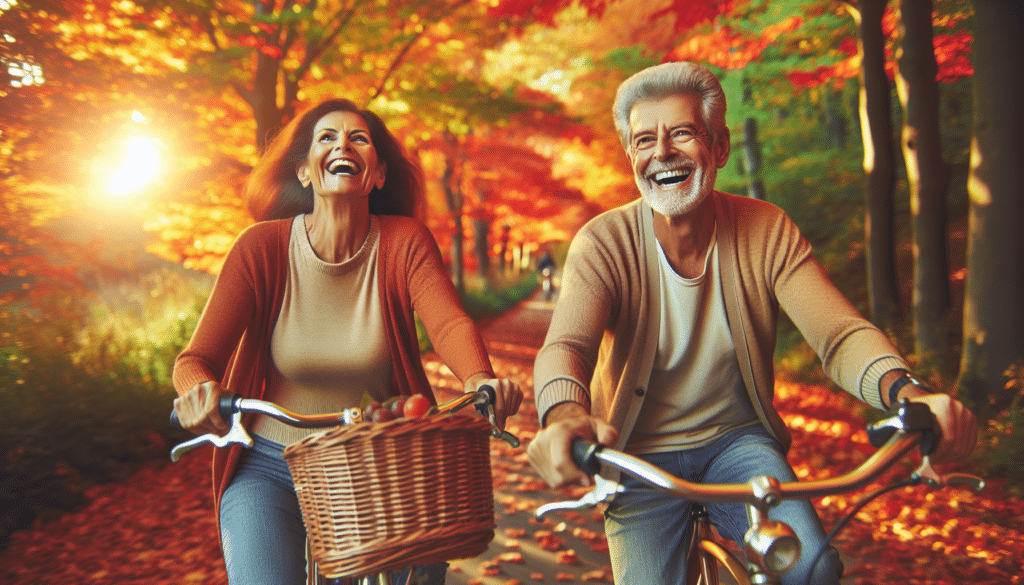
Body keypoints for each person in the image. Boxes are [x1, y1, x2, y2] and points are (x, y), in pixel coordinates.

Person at [526, 62, 977, 585]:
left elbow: (839, 334)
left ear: (719, 147)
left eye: (682, 133)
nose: (662, 152)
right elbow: (568, 347)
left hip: (738, 445)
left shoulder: (766, 230)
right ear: (631, 157)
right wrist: (564, 419)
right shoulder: (603, 242)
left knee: (809, 569)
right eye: (644, 140)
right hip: (635, 456)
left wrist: (907, 394)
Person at [172, 98, 523, 585]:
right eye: (327, 138)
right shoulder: (260, 248)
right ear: (304, 172)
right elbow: (197, 359)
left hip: (374, 465)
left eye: (359, 139)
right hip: (269, 466)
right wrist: (198, 393)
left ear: (377, 175)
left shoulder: (404, 241)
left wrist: (481, 379)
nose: (343, 145)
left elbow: (448, 324)